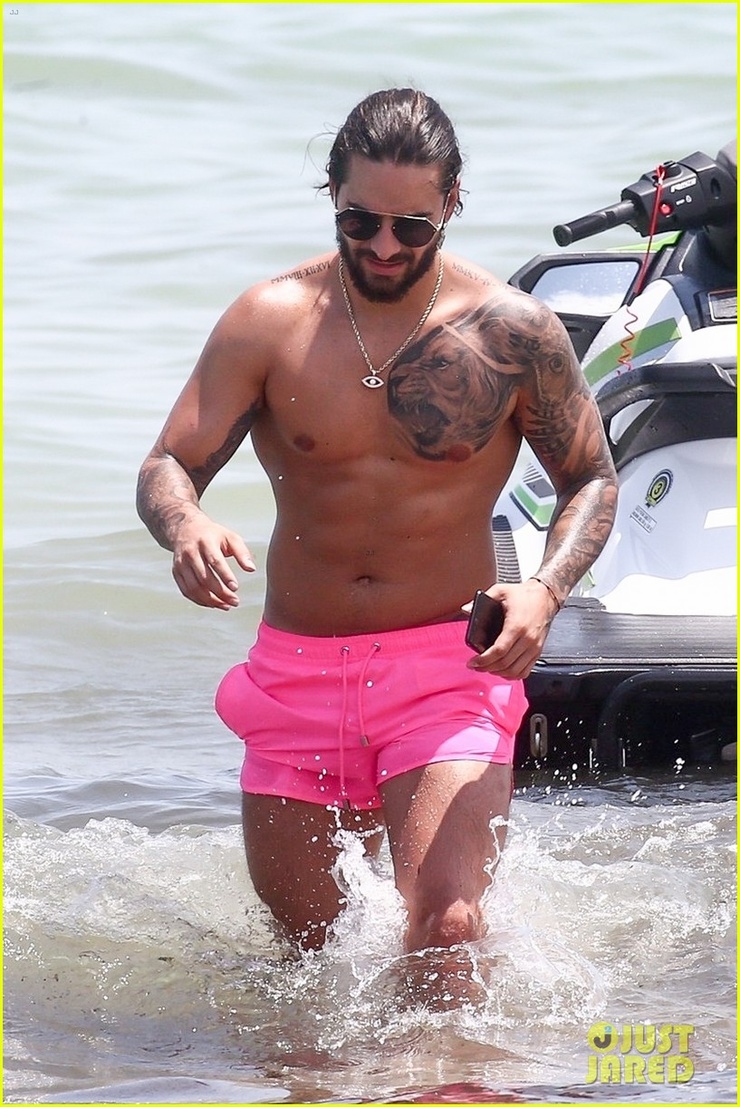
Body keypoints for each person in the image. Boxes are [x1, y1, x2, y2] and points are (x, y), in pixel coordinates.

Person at [137, 89, 618, 986]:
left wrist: (545, 590)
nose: (385, 245)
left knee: (448, 928)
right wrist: (185, 522)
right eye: (360, 221)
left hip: (447, 665)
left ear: (453, 202)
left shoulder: (512, 332)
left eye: (412, 226)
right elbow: (169, 461)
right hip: (296, 673)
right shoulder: (268, 320)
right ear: (332, 194)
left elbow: (591, 478)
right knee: (311, 974)